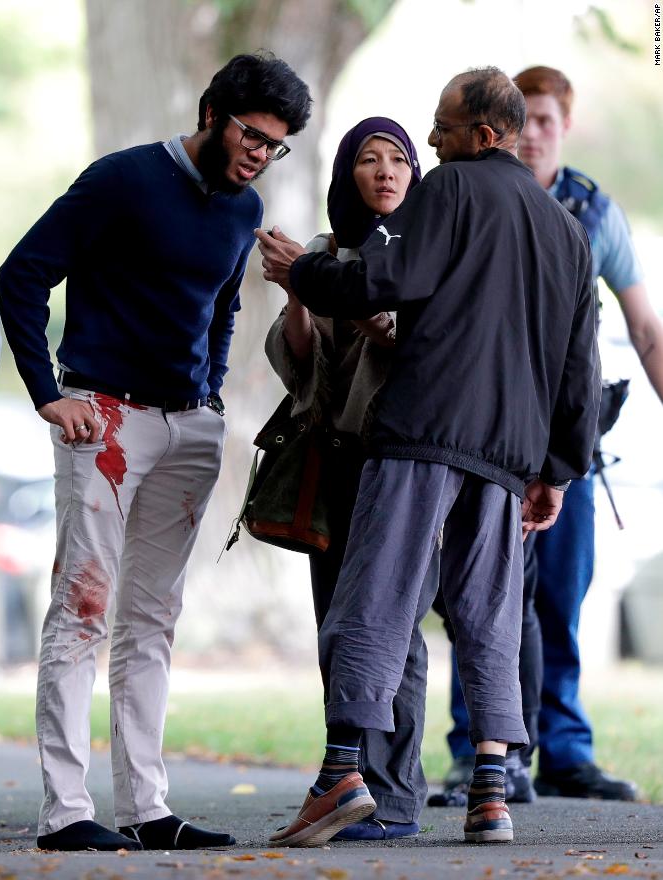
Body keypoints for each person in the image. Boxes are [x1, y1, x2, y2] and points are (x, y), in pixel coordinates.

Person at [256, 67, 599, 846]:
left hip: (424, 429)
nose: (431, 139)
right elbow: (578, 365)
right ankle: (491, 793)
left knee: (372, 600)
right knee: (488, 616)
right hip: (509, 455)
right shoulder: (567, 232)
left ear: (482, 133)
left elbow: (384, 276)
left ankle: (342, 774)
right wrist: (557, 468)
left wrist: (301, 272)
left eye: (441, 126)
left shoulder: (447, 191)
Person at [0, 52, 312, 852]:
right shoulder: (121, 181)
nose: (260, 154)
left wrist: (208, 394)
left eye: (276, 146)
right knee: (85, 608)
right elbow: (22, 275)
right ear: (213, 112)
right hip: (102, 420)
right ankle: (65, 811)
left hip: (188, 430)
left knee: (152, 619)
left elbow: (218, 313)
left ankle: (148, 809)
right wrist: (47, 393)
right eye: (253, 134)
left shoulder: (244, 212)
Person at [435, 65, 659, 804]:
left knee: (561, 599)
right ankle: (482, 753)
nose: (531, 133)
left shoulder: (595, 214)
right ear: (498, 126)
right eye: (521, 118)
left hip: (569, 441)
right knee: (481, 598)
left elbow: (646, 331)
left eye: (546, 121)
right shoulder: (469, 195)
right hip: (491, 435)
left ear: (565, 126)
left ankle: (563, 747)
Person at [263, 117, 430, 841]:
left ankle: (393, 796)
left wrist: (347, 299)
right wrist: (300, 290)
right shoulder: (327, 253)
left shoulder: (424, 252)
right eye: (370, 159)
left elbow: (411, 343)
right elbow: (300, 365)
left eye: (399, 159)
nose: (387, 171)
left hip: (400, 464)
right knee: (339, 625)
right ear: (347, 176)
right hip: (333, 461)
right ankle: (349, 782)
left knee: (395, 629)